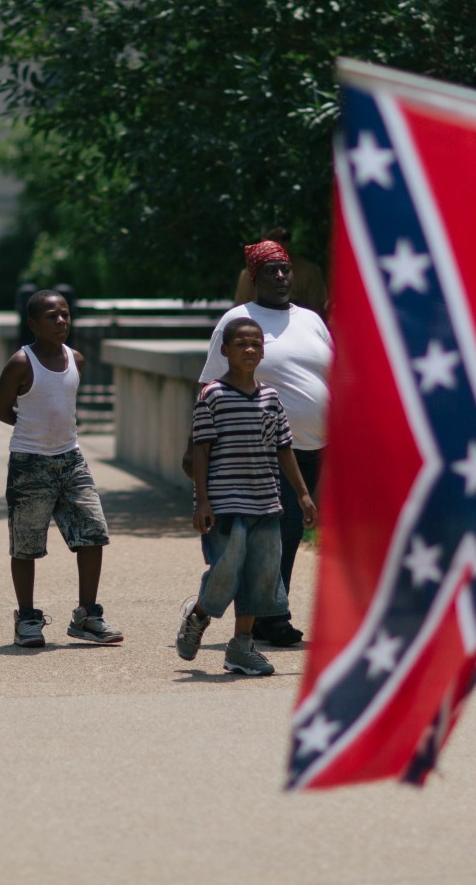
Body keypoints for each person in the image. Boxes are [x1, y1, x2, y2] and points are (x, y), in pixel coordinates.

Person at [196, 239, 332, 646]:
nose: (279, 276)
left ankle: (268, 611)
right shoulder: (239, 319)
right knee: (283, 531)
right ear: (255, 278)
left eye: (284, 269)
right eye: (270, 270)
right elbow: (209, 384)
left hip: (318, 447)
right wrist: (196, 446)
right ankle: (271, 617)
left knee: (292, 533)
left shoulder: (310, 320)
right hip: (265, 450)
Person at [176, 317, 317, 675]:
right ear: (225, 351)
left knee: (260, 575)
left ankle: (241, 647)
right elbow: (202, 452)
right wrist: (202, 500)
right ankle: (199, 615)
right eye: (241, 344)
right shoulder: (213, 396)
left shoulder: (271, 397)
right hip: (224, 503)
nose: (250, 350)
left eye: (256, 343)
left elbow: (285, 449)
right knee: (226, 570)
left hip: (265, 501)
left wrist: (302, 495)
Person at [0, 290, 122, 648]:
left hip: (71, 459)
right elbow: (2, 409)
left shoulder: (75, 359)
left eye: (65, 315)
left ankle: (88, 615)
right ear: (33, 324)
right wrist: (32, 430)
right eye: (51, 317)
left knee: (92, 532)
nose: (61, 321)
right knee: (26, 544)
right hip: (29, 463)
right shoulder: (21, 362)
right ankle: (28, 618)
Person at [231, 227, 329, 317]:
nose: (280, 242)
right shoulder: (248, 274)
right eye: (274, 238)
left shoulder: (309, 271)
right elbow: (241, 309)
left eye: (284, 238)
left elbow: (318, 309)